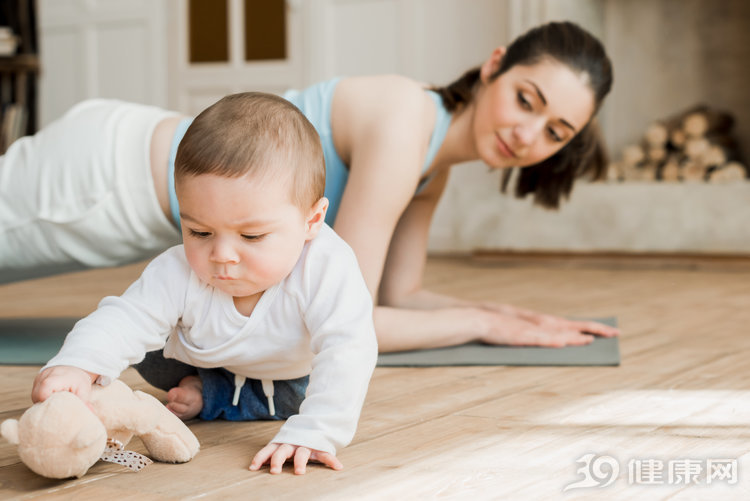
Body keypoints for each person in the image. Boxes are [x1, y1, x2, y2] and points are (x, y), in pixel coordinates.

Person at [1, 21, 619, 351]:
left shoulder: (432, 167)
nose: (527, 133)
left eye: (555, 131)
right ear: (494, 67)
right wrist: (481, 327)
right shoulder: (405, 120)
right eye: (525, 99)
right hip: (104, 181)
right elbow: (351, 316)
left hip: (127, 204)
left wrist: (501, 313)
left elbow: (398, 295)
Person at [30, 92, 379, 475]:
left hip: (286, 373)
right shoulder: (178, 269)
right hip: (202, 354)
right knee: (145, 353)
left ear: (312, 222)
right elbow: (125, 317)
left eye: (251, 237)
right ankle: (205, 385)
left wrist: (318, 430)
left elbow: (349, 346)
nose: (222, 255)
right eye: (199, 231)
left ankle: (211, 395)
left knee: (305, 393)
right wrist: (76, 366)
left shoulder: (327, 266)